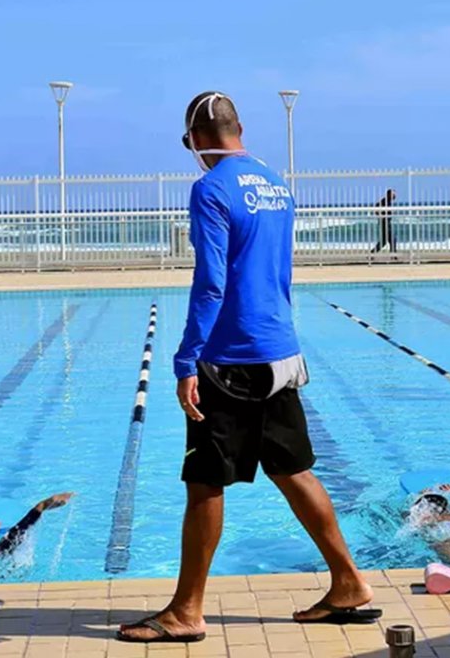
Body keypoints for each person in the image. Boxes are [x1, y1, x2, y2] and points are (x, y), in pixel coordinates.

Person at [118, 92, 380, 645]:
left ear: (195, 139)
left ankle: (186, 611)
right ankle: (349, 584)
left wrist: (187, 358)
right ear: (239, 129)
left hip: (231, 359)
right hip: (281, 351)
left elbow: (211, 281)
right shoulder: (274, 182)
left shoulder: (210, 188)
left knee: (205, 481)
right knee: (294, 470)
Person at [371, 188, 397, 255]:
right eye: (393, 194)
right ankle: (393, 255)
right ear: (389, 194)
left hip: (387, 223)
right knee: (392, 239)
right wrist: (380, 215)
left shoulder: (388, 201)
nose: (395, 195)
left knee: (384, 241)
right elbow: (376, 208)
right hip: (384, 223)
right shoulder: (384, 200)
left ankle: (372, 253)